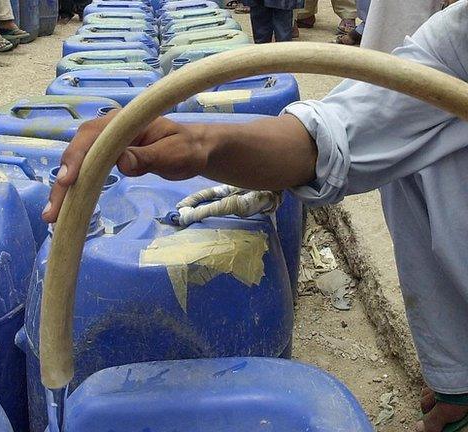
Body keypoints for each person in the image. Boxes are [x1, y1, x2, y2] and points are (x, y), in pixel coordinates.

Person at [42, 2, 468, 431]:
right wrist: (198, 143)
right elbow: (331, 138)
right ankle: (459, 381)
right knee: (413, 142)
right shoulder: (458, 40)